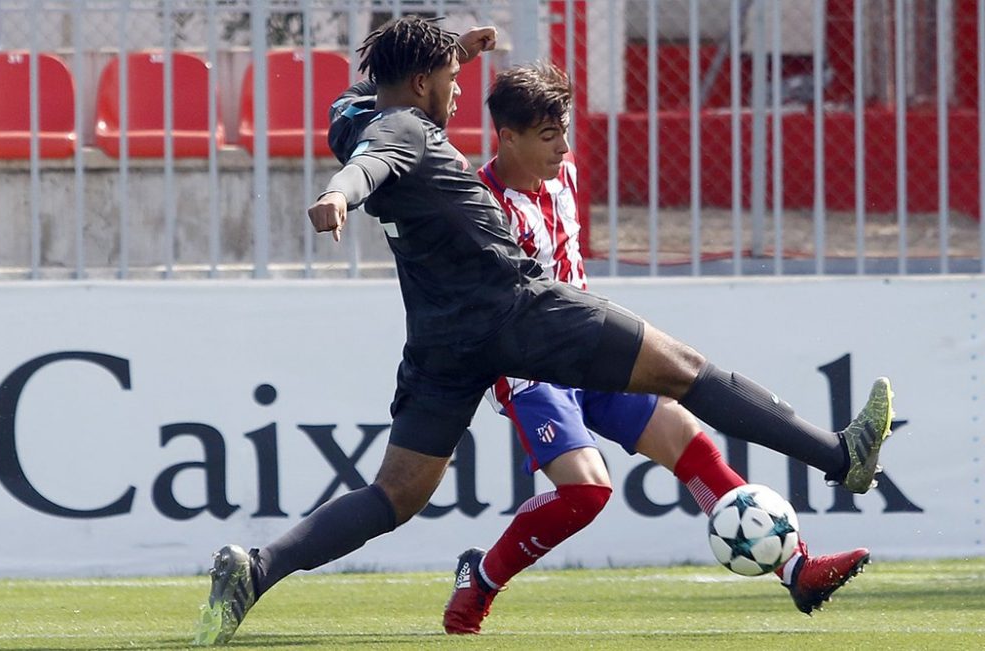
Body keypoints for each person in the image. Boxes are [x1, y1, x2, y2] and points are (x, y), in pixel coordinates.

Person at [194, 16, 894, 646]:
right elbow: (372, 163)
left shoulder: (356, 113)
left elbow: (364, 121)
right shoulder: (402, 128)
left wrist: (451, 55)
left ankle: (256, 570)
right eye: (449, 80)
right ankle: (840, 454)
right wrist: (336, 194)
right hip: (518, 310)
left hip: (443, 341)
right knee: (683, 367)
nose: (460, 93)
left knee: (396, 493)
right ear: (418, 82)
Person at [440, 63, 872, 635]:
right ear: (507, 136)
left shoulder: (562, 177)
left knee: (685, 436)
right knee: (587, 492)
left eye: (565, 131)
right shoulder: (481, 204)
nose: (564, 147)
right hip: (530, 371)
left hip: (587, 349)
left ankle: (797, 567)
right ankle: (481, 578)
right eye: (549, 137)